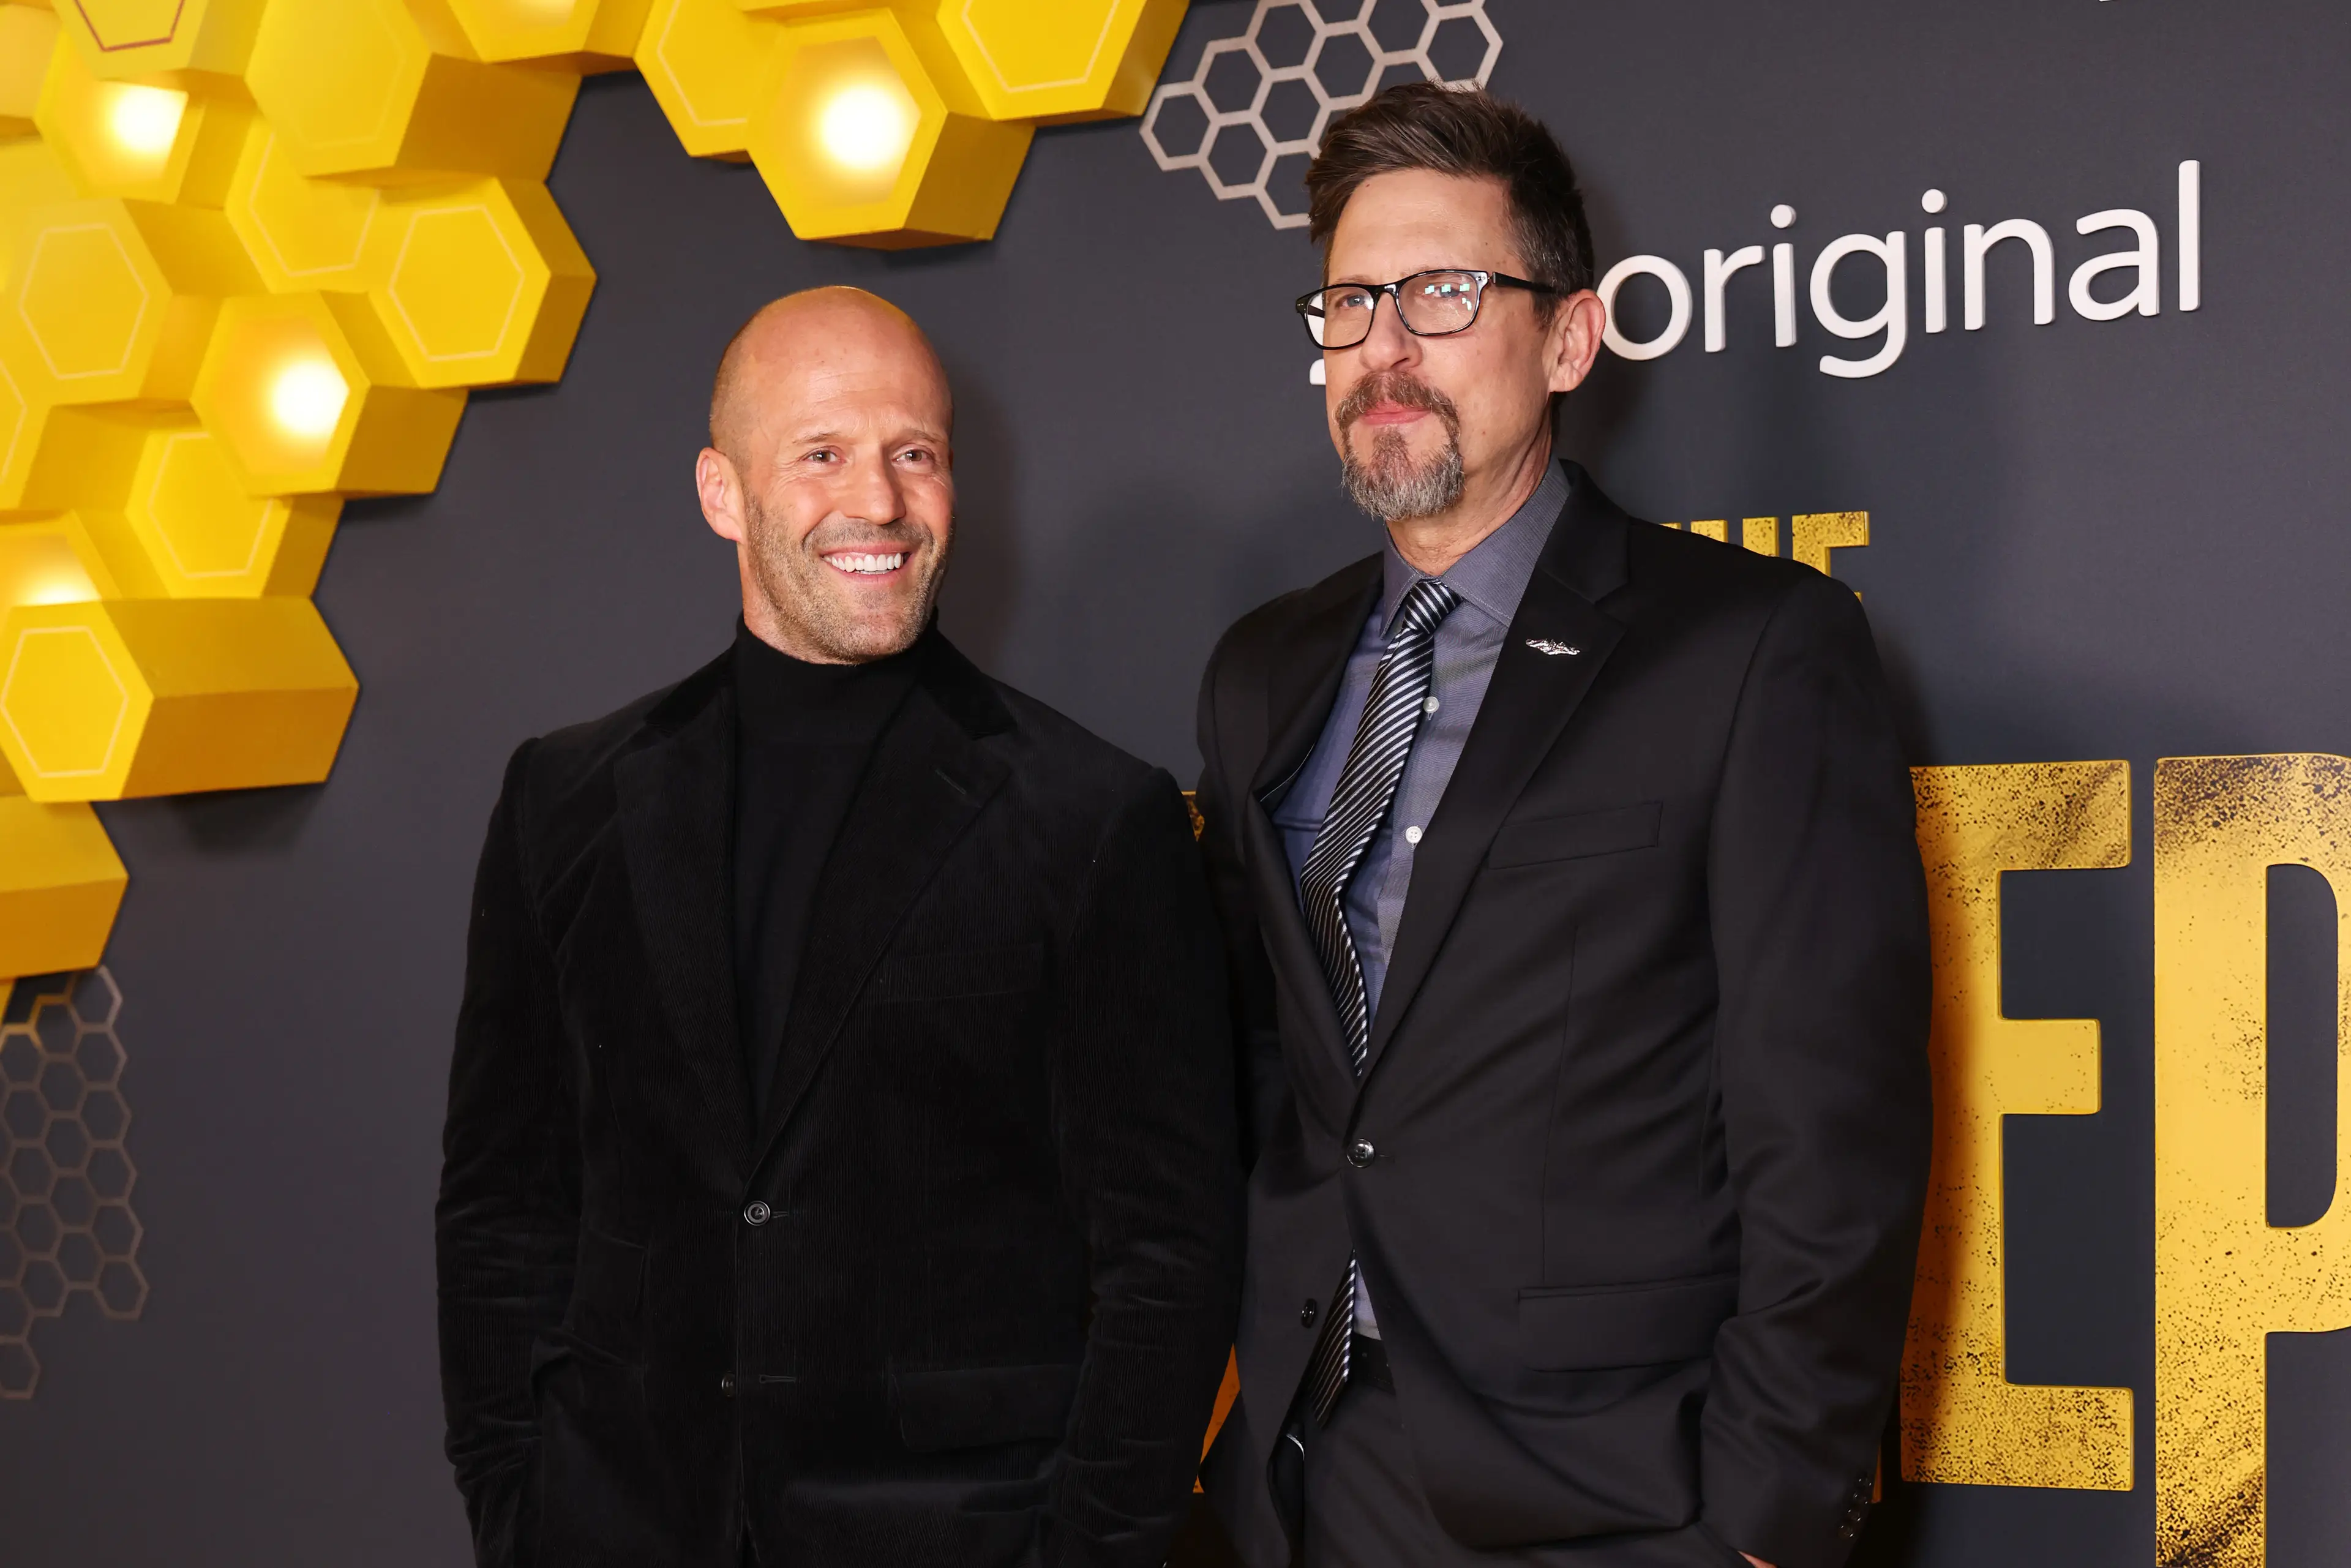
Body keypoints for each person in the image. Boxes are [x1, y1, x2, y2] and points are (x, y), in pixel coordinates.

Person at [1194, 84, 1932, 1568]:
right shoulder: (1261, 670)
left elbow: (1830, 1133)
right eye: (1350, 302)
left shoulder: (1752, 649)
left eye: (1444, 294)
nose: (1385, 348)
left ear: (1572, 336)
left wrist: (1764, 1521)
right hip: (1308, 1467)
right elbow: (1281, 1063)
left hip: (1617, 1493)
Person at [435, 287, 1241, 1568]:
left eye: (914, 452)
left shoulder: (1094, 816)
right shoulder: (564, 795)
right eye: (822, 453)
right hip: (619, 1524)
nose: (879, 500)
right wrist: (516, 1501)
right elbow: (501, 1205)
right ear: (722, 491)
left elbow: (1168, 1252)